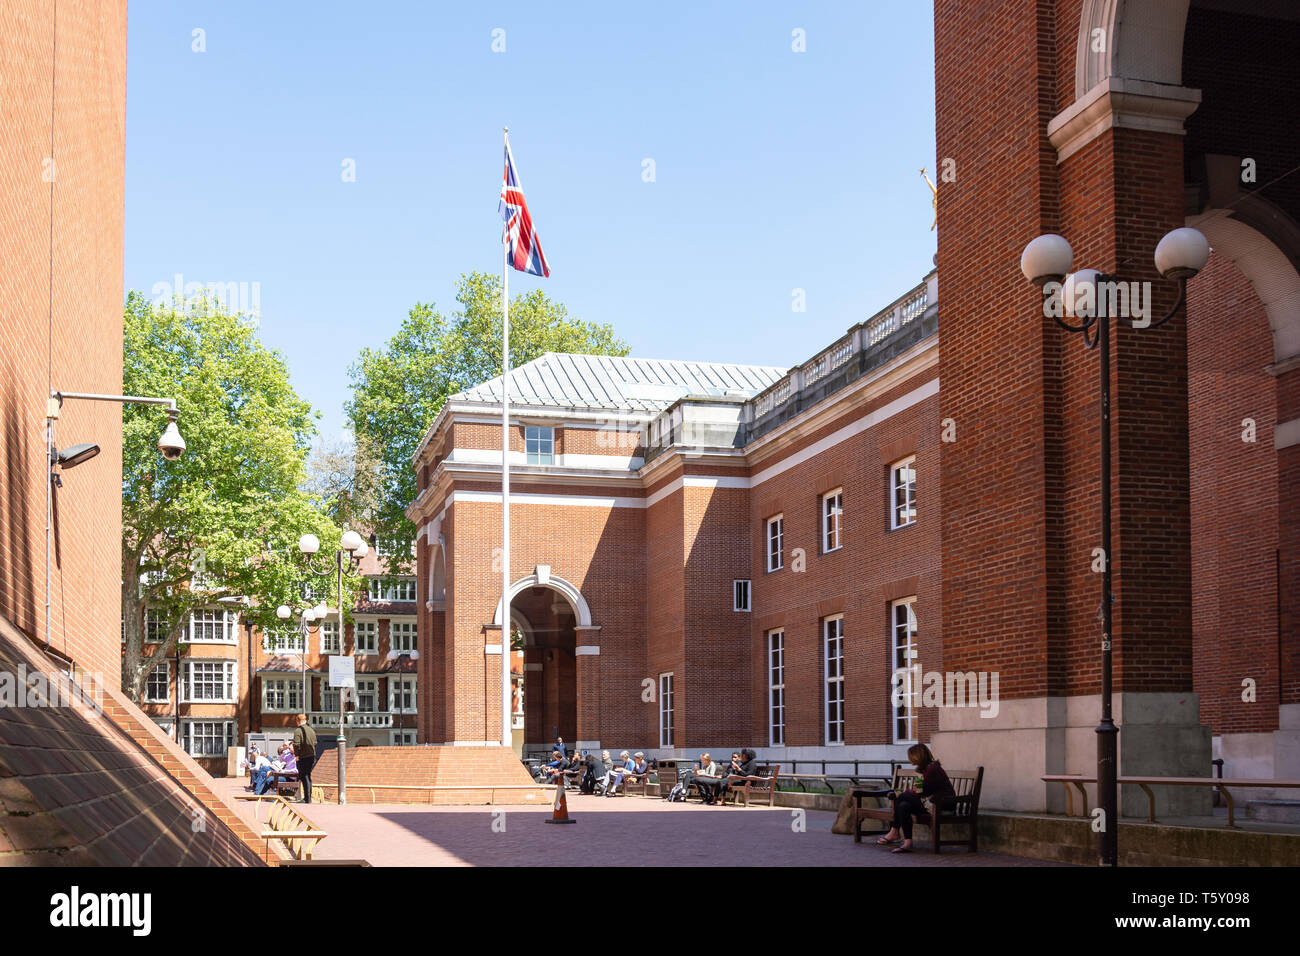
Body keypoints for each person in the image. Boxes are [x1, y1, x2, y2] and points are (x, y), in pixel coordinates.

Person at [876, 743, 956, 854]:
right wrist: (912, 790)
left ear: (917, 757)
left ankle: (894, 831)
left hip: (942, 805)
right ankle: (907, 843)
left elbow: (921, 792)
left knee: (902, 797)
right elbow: (920, 791)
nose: (910, 760)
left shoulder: (933, 769)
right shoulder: (926, 769)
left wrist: (905, 793)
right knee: (904, 806)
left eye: (911, 757)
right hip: (930, 803)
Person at [291, 714, 317, 804]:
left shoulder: (298, 731)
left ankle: (307, 799)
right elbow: (315, 742)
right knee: (308, 777)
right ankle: (308, 798)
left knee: (304, 777)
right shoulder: (311, 730)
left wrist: (297, 755)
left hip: (303, 757)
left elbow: (296, 744)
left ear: (298, 721)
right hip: (311, 756)